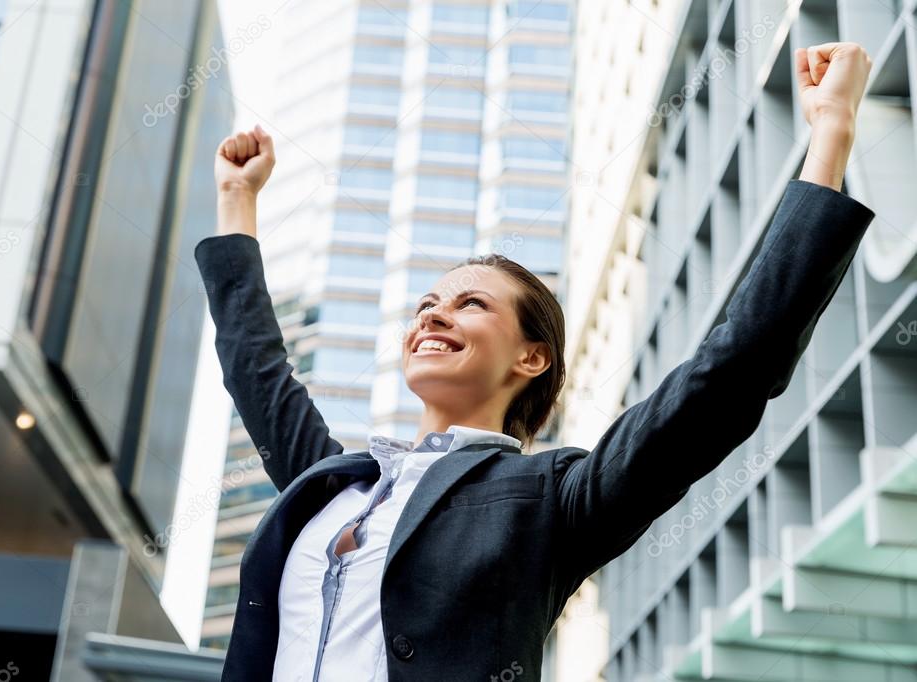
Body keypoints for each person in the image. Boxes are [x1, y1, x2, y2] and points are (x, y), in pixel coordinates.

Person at [194, 42, 875, 681]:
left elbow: (729, 371)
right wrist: (237, 199)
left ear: (530, 357)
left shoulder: (552, 497)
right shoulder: (332, 484)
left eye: (469, 305)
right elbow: (256, 369)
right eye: (427, 303)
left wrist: (830, 131)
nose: (432, 314)